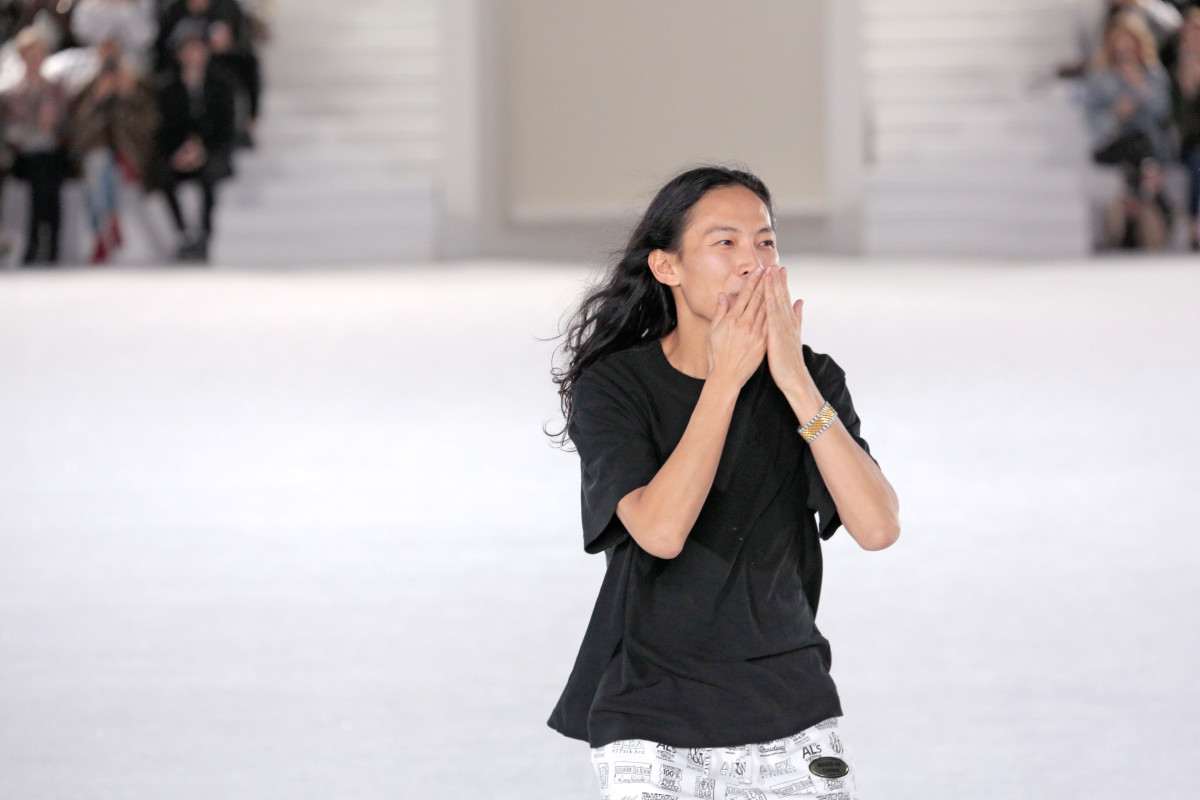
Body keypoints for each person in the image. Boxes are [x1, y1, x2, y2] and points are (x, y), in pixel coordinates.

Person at [546, 167, 900, 800]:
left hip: (789, 698)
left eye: (765, 242)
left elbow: (877, 528)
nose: (752, 261)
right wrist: (725, 382)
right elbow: (658, 531)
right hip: (651, 707)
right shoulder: (615, 387)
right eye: (726, 242)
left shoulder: (813, 379)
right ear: (667, 267)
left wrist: (793, 382)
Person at [1085, 12, 1175, 248]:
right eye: (1118, 41)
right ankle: (1155, 190)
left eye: (1129, 40)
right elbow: (1093, 122)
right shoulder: (1101, 77)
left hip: (1146, 145)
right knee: (1136, 141)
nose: (1124, 47)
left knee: (1140, 141)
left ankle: (1130, 222)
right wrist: (1114, 114)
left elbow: (1162, 112)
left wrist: (1139, 85)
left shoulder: (1153, 74)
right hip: (1111, 144)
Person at [68, 36, 160, 263]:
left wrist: (128, 97)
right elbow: (79, 131)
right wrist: (97, 101)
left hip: (133, 155)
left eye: (114, 56)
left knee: (100, 171)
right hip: (98, 155)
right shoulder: (87, 89)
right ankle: (109, 223)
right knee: (98, 166)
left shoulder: (138, 86)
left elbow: (148, 127)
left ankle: (102, 231)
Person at [156, 18, 234, 261]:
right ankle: (182, 234)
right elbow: (163, 128)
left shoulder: (221, 84)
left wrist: (203, 149)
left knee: (209, 178)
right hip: (178, 152)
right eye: (187, 48)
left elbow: (226, 128)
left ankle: (204, 236)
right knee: (163, 177)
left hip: (210, 151)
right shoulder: (167, 86)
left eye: (198, 47)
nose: (193, 54)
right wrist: (178, 152)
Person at [2, 26, 71, 265]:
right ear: (21, 57)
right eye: (30, 54)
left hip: (51, 153)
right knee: (41, 173)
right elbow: (9, 130)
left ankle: (43, 243)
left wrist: (52, 123)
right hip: (22, 156)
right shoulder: (10, 92)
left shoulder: (56, 88)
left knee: (46, 173)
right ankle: (40, 242)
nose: (35, 59)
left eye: (39, 53)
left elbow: (65, 125)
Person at [1171, 7, 1200, 249]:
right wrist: (1188, 91)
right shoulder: (1172, 74)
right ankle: (1194, 224)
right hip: (1188, 142)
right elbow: (1179, 122)